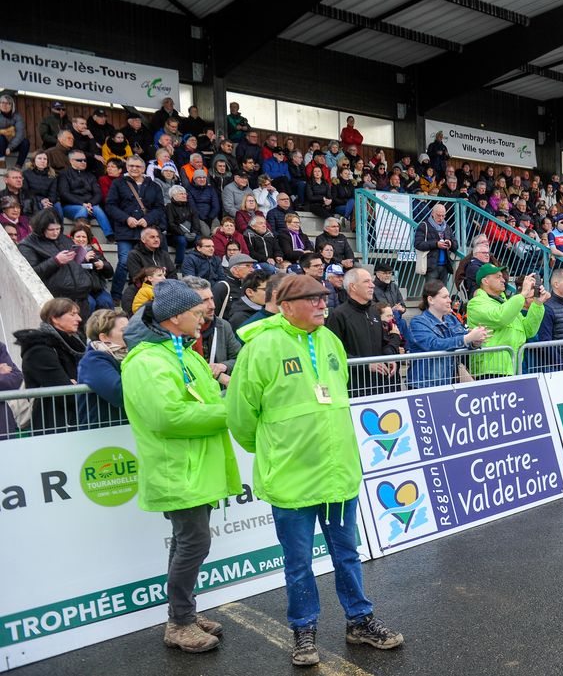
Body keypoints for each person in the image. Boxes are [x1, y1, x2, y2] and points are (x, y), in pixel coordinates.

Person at [227, 274, 404, 665]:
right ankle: (303, 629)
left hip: (337, 473)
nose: (323, 304)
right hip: (292, 477)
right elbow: (240, 415)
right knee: (298, 562)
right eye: (313, 299)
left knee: (347, 554)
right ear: (287, 306)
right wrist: (274, 450)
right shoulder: (261, 347)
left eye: (324, 297)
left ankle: (359, 620)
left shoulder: (329, 341)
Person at [120, 279, 241, 653]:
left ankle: (183, 612)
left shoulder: (184, 353)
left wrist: (232, 400)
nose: (204, 317)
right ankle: (180, 622)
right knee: (194, 543)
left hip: (196, 467)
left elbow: (208, 397)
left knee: (188, 542)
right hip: (176, 470)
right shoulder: (146, 361)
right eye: (196, 312)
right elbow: (168, 417)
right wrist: (229, 413)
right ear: (174, 318)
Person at [13, 298, 86, 431]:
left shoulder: (76, 345)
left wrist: (77, 384)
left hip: (77, 420)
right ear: (55, 318)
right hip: (53, 426)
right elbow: (65, 393)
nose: (79, 319)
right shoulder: (39, 350)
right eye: (72, 314)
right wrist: (76, 385)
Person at [325, 268, 401, 395]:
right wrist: (366, 365)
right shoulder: (338, 315)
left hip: (378, 387)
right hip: (353, 388)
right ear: (353, 287)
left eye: (371, 281)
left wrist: (389, 358)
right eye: (366, 281)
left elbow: (383, 342)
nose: (372, 285)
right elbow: (332, 353)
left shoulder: (374, 312)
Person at [465, 265, 547, 378]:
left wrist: (537, 303)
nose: (503, 280)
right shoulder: (475, 303)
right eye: (498, 277)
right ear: (485, 281)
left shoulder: (507, 303)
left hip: (512, 368)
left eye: (502, 276)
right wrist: (523, 294)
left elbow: (529, 331)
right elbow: (500, 318)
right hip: (489, 371)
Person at [407, 280, 488, 388]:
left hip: (448, 381)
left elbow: (463, 341)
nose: (449, 300)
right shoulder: (418, 322)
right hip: (424, 384)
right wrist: (468, 338)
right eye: (445, 297)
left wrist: (475, 342)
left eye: (449, 296)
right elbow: (434, 345)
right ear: (430, 300)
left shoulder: (451, 319)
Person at [106, 155, 166, 300]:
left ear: (144, 168)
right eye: (131, 166)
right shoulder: (118, 183)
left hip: (146, 231)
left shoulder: (154, 186)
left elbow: (159, 208)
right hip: (125, 230)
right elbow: (110, 205)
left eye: (138, 166)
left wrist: (147, 219)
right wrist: (126, 218)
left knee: (149, 266)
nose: (134, 168)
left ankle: (147, 295)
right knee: (124, 262)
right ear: (127, 167)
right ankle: (116, 296)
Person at [19, 209, 95, 319]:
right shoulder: (28, 245)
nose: (55, 233)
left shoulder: (64, 239)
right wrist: (56, 261)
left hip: (81, 297)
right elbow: (31, 274)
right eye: (51, 229)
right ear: (41, 228)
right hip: (58, 300)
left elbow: (76, 263)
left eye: (58, 229)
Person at [181, 276, 242, 385]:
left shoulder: (223, 326)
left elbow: (240, 358)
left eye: (212, 298)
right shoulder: (178, 332)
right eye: (204, 301)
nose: (212, 306)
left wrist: (223, 366)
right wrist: (215, 375)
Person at [77, 308, 129, 426]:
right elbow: (118, 393)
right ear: (104, 337)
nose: (130, 332)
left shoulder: (130, 354)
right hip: (103, 431)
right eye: (124, 330)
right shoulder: (92, 361)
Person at [415, 203, 457, 283]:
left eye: (443, 216)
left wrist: (450, 243)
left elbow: (456, 245)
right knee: (431, 290)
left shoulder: (447, 227)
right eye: (438, 215)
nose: (441, 218)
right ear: (432, 214)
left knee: (443, 290)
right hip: (431, 266)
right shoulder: (424, 226)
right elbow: (418, 244)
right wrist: (436, 244)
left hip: (445, 266)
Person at [0, 95, 29, 167]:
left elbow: (20, 134)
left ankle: (18, 166)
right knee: (1, 137)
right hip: (1, 143)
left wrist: (10, 147)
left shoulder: (17, 116)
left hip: (12, 144)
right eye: (2, 102)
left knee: (25, 142)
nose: (4, 105)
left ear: (12, 106)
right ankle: (1, 162)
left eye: (8, 103)